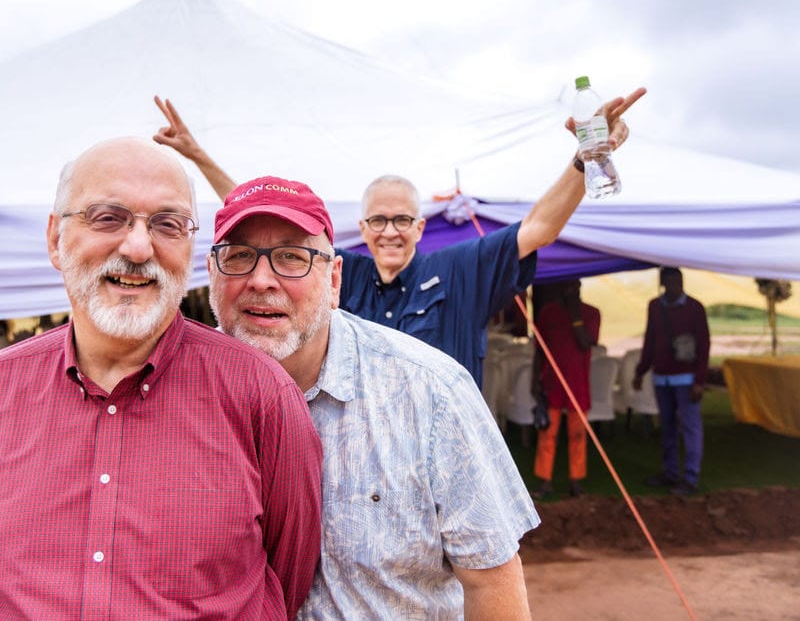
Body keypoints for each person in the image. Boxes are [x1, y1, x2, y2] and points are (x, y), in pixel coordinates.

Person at [0, 138, 323, 619]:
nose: (137, 247)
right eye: (108, 217)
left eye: (167, 224)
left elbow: (286, 578)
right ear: (54, 238)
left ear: (190, 248)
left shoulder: (261, 394)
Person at [206, 176, 539, 619]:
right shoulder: (177, 392)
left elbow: (491, 579)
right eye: (240, 256)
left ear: (334, 280)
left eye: (292, 257)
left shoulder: (432, 392)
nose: (262, 279)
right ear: (211, 273)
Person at [153, 88, 645, 386]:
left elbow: (538, 229)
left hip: (446, 468)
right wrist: (198, 156)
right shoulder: (341, 276)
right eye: (379, 221)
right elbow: (271, 225)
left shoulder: (458, 268)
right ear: (362, 230)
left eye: (402, 220)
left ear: (420, 227)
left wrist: (586, 159)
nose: (390, 231)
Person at [633, 266, 710, 497]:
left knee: (690, 426)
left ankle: (690, 477)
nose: (674, 288)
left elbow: (704, 346)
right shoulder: (655, 306)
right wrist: (641, 371)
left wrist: (699, 381)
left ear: (682, 282)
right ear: (663, 284)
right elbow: (650, 339)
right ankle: (670, 472)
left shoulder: (694, 308)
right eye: (669, 283)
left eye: (677, 283)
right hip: (662, 377)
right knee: (667, 427)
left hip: (686, 378)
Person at [530, 280, 600, 499]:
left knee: (577, 435)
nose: (570, 290)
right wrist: (534, 379)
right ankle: (545, 481)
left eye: (574, 287)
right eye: (566, 287)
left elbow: (586, 343)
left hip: (577, 386)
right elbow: (539, 350)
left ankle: (575, 481)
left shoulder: (591, 313)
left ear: (579, 287)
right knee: (547, 434)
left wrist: (574, 314)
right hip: (551, 385)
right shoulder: (547, 313)